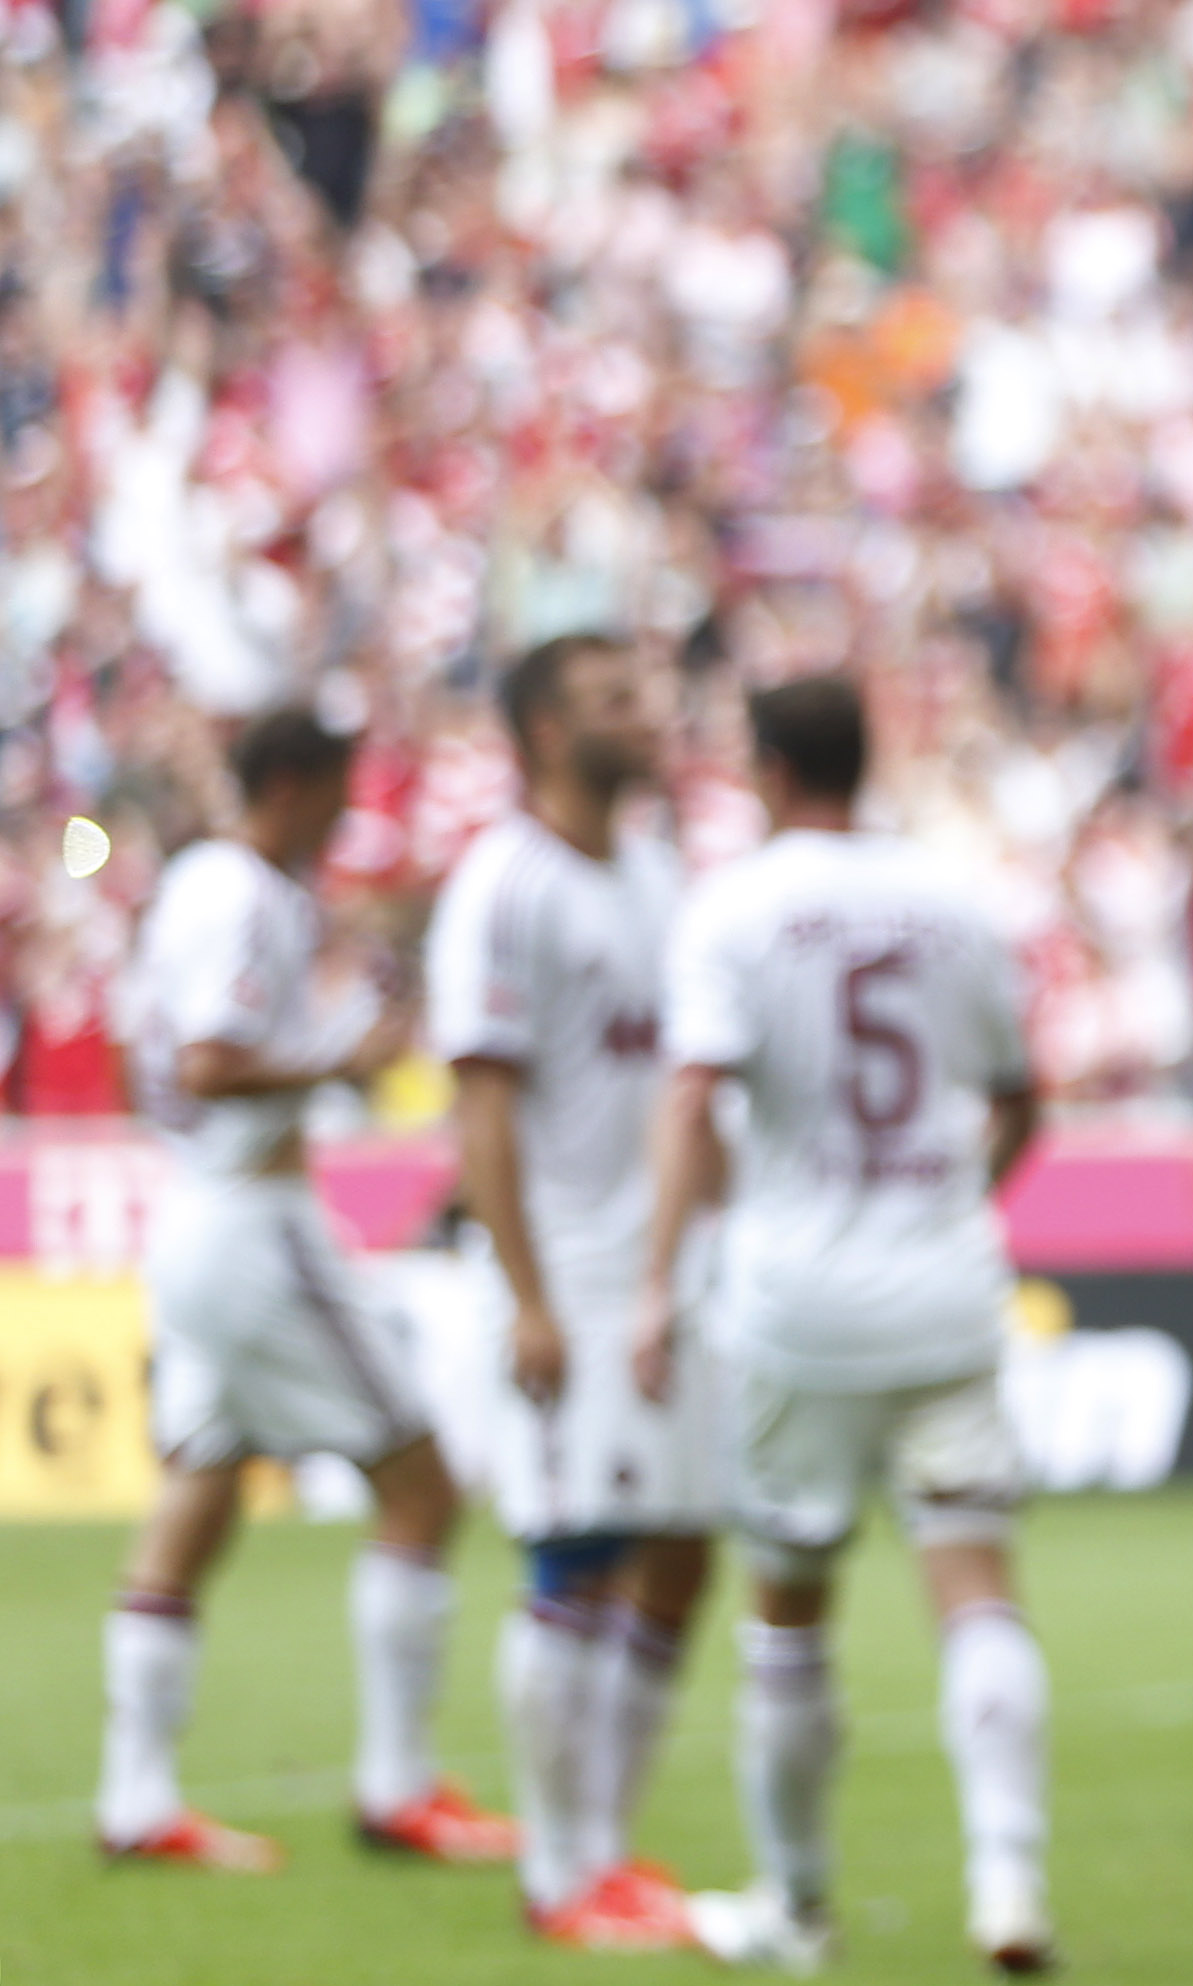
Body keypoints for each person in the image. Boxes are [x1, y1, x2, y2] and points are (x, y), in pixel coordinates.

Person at [632, 676, 1055, 1975]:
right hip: (944, 1290)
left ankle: (796, 1907)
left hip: (797, 1304)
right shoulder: (952, 900)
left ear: (766, 768)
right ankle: (1008, 1884)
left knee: (789, 1615)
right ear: (863, 760)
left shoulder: (733, 908)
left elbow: (690, 1099)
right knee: (975, 1589)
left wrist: (655, 1282)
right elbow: (1021, 1101)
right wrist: (950, 1202)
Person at [99, 705, 516, 1872]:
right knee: (423, 1484)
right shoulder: (241, 894)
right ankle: (398, 1787)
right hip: (254, 1226)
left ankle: (136, 1799)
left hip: (195, 1211)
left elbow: (164, 1059)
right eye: (339, 786)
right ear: (291, 782)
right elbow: (209, 1061)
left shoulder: (209, 887)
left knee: (199, 1494)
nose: (347, 811)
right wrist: (346, 1058)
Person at [426, 633, 717, 1947]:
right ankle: (557, 1874)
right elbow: (481, 1107)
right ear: (547, 733)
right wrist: (527, 1294)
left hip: (665, 1272)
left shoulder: (655, 872)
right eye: (613, 700)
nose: (646, 714)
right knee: (575, 1553)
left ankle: (603, 1841)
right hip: (565, 1269)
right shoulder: (505, 885)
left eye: (642, 692)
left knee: (681, 1548)